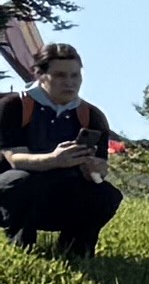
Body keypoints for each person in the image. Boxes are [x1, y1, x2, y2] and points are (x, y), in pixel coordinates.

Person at [0, 45, 122, 262]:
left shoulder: (92, 116)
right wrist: (54, 160)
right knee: (21, 182)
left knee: (104, 194)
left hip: (63, 192)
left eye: (75, 75)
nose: (69, 82)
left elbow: (101, 168)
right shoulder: (13, 106)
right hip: (12, 192)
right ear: (40, 75)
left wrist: (94, 169)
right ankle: (22, 249)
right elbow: (14, 158)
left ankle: (76, 252)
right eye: (60, 75)